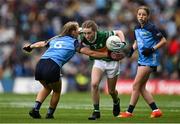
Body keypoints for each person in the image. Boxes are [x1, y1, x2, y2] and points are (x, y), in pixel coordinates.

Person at [23, 21, 121, 119]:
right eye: (77, 30)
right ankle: (50, 114)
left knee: (47, 88)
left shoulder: (56, 38)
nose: (80, 32)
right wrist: (108, 54)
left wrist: (30, 47)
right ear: (72, 32)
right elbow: (92, 53)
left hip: (40, 64)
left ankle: (35, 109)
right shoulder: (74, 43)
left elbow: (42, 44)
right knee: (57, 91)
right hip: (53, 65)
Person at [119, 6, 167, 118]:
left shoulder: (151, 27)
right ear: (137, 15)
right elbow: (137, 41)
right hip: (142, 59)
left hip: (150, 59)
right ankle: (156, 110)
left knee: (136, 85)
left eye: (144, 14)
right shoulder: (136, 27)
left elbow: (163, 40)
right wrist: (132, 49)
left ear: (148, 16)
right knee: (141, 87)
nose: (141, 16)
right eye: (139, 14)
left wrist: (152, 49)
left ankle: (129, 112)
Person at [79, 20, 126, 120]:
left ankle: (116, 101)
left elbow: (119, 32)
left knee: (111, 91)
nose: (87, 35)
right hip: (99, 61)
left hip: (112, 62)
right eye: (85, 33)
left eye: (89, 33)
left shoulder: (103, 34)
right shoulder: (82, 36)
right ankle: (96, 112)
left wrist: (123, 43)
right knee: (94, 84)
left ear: (95, 31)